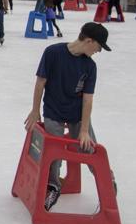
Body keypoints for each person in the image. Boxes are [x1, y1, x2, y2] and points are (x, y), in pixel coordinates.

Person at [23, 22, 113, 211]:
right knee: (52, 153)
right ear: (89, 41)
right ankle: (53, 185)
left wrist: (84, 130)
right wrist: (34, 110)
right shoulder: (53, 53)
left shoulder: (90, 67)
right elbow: (40, 83)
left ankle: (108, 183)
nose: (99, 51)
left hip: (76, 114)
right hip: (53, 111)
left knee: (90, 149)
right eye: (99, 47)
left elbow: (87, 100)